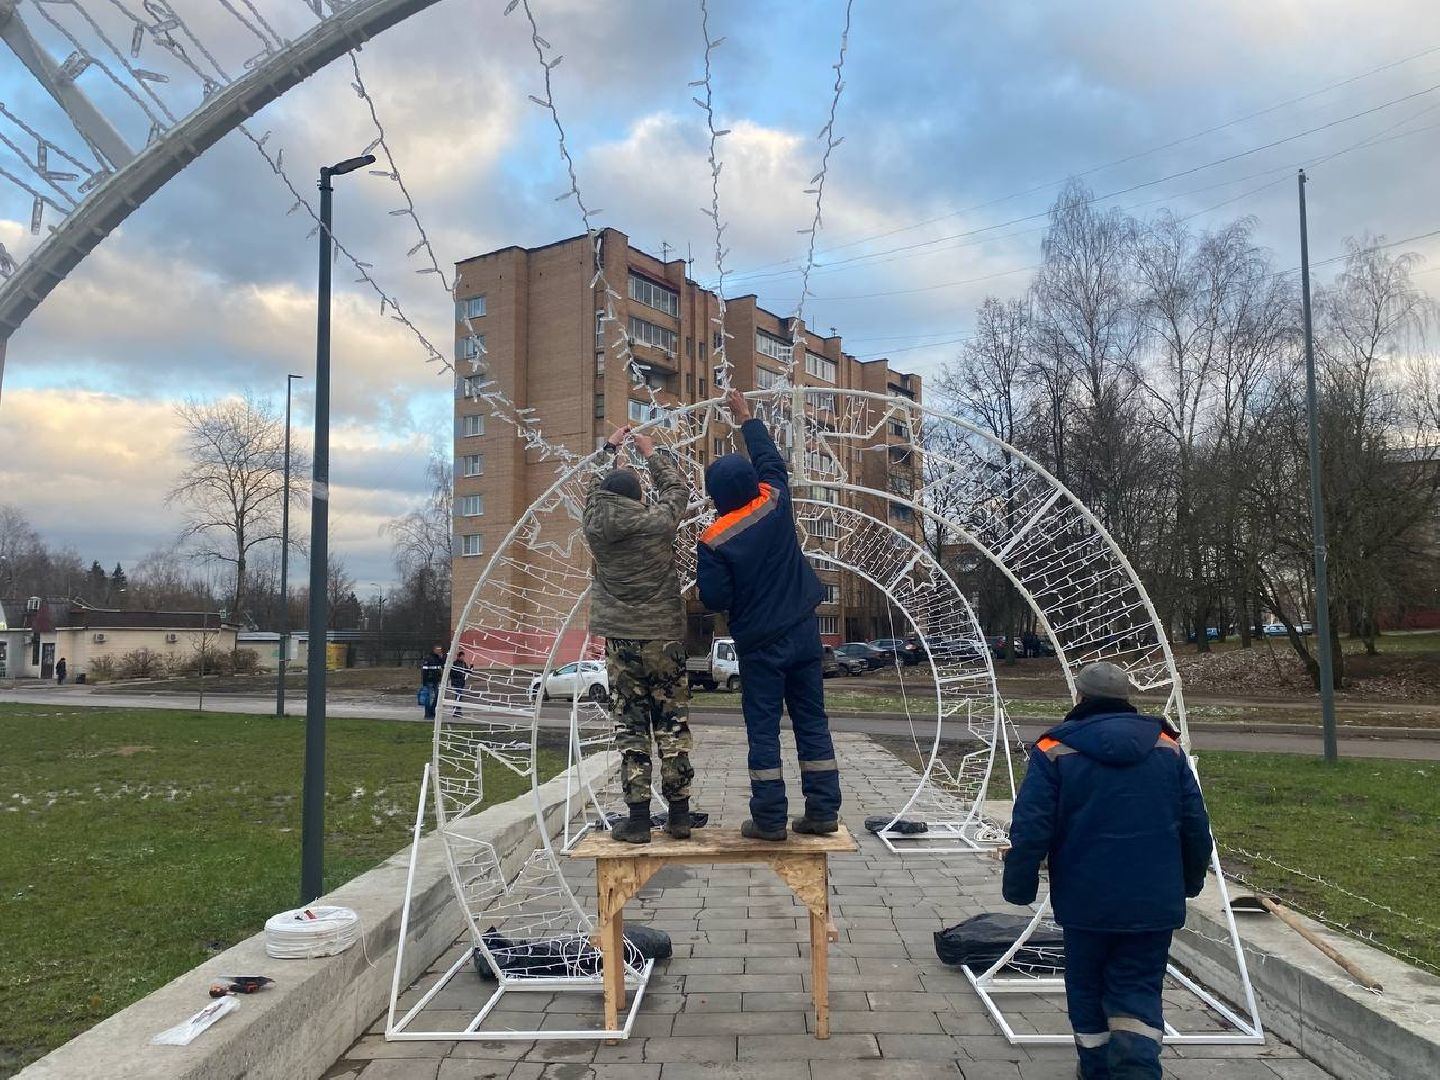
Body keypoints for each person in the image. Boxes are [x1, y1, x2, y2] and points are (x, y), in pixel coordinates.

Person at [1003, 661, 1213, 1080]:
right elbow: (1195, 823)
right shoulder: (1167, 747)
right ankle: (1137, 1070)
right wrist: (1189, 882)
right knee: (1137, 986)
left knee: (1087, 986)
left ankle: (1096, 1069)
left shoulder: (1054, 750)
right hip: (1153, 900)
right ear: (1125, 699)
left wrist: (1020, 886)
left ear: (1080, 698)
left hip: (1086, 901)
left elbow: (1031, 826)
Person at [697, 388, 840, 842]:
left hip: (760, 644)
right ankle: (821, 812)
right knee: (812, 722)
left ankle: (770, 819)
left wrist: (740, 601)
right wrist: (747, 419)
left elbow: (715, 598)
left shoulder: (714, 539)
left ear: (716, 496)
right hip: (803, 632)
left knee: (763, 730)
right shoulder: (775, 502)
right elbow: (771, 461)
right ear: (751, 483)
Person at [583, 424, 693, 844]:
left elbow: (591, 490)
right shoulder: (657, 521)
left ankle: (638, 820)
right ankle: (680, 816)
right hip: (663, 638)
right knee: (673, 725)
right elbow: (677, 489)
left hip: (620, 642)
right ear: (637, 496)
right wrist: (651, 453)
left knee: (631, 727)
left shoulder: (594, 524)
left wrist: (608, 449)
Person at [419, 644, 445, 721]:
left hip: (436, 681)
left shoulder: (438, 658)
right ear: (434, 650)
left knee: (437, 696)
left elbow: (442, 666)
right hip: (429, 681)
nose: (439, 651)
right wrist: (424, 682)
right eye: (438, 649)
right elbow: (424, 671)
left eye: (440, 650)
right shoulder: (428, 658)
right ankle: (427, 714)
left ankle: (432, 711)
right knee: (428, 698)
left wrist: (441, 658)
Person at [449, 651, 471, 718]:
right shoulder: (455, 664)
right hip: (457, 682)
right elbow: (452, 674)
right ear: (458, 657)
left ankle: (457, 710)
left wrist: (471, 668)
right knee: (458, 696)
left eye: (463, 656)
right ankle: (456, 711)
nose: (463, 658)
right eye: (462, 656)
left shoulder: (464, 664)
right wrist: (454, 680)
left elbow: (467, 671)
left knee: (459, 696)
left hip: (461, 682)